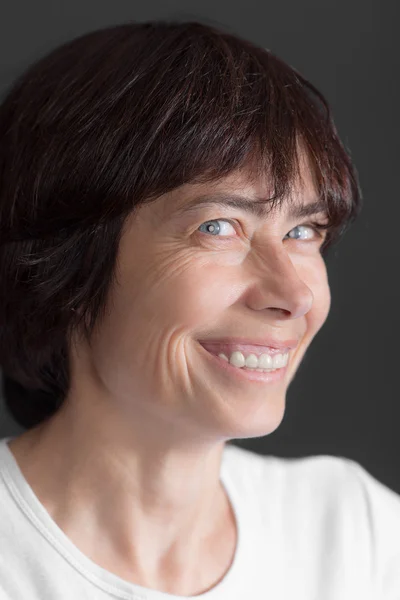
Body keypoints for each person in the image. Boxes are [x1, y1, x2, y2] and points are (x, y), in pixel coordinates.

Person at [0, 19, 398, 600]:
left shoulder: (355, 535)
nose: (294, 295)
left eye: (304, 230)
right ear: (65, 262)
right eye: (217, 226)